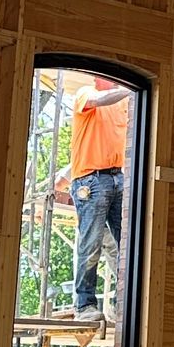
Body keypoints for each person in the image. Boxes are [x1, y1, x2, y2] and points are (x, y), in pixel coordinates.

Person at [67, 74, 129, 321]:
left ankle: (121, 302)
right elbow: (98, 100)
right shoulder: (84, 93)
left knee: (125, 245)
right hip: (90, 180)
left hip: (117, 176)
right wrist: (132, 88)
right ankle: (84, 305)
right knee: (91, 243)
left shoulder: (123, 104)